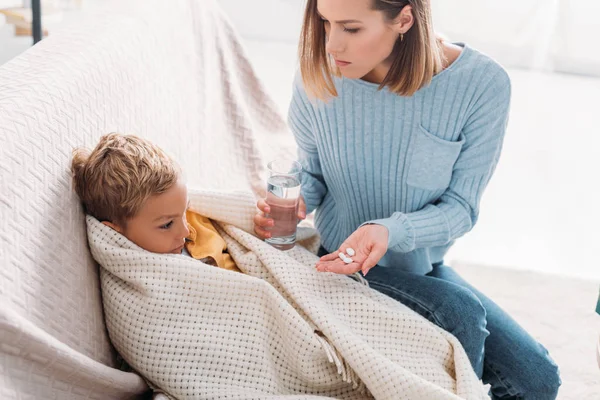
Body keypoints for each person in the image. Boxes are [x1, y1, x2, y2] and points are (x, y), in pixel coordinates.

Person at [254, 0, 560, 398]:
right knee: (460, 313)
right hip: (339, 262)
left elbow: (461, 209)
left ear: (403, 19)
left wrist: (390, 230)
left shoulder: (481, 84)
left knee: (536, 380)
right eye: (325, 23)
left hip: (420, 267)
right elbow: (311, 172)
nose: (331, 45)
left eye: (351, 28)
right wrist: (295, 205)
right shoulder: (320, 76)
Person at [71, 133, 239, 272]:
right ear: (115, 230)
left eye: (184, 212)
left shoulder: (193, 217)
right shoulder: (144, 276)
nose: (185, 231)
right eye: (167, 225)